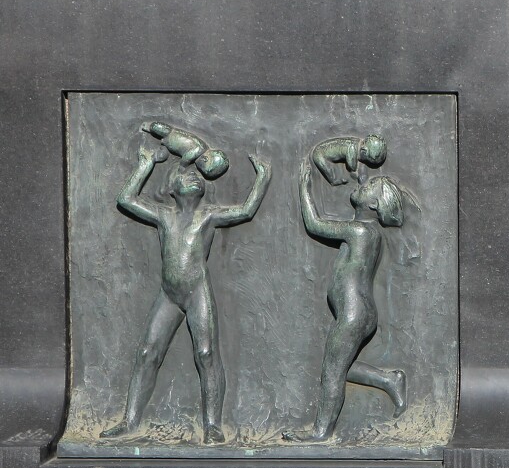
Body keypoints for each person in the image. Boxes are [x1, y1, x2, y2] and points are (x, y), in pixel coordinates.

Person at [101, 141, 271, 443]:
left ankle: (211, 425)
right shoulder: (163, 215)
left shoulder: (209, 215)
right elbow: (126, 198)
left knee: (206, 354)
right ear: (172, 190)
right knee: (146, 353)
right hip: (169, 294)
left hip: (196, 293)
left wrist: (262, 178)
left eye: (198, 177)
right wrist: (146, 164)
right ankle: (129, 421)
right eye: (185, 176)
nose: (194, 176)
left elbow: (245, 210)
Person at [284, 161, 407, 442]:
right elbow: (359, 187)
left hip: (353, 313)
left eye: (369, 187)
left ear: (374, 206)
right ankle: (390, 380)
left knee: (332, 374)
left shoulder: (360, 231)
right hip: (358, 312)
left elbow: (315, 224)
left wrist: (304, 186)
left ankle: (321, 433)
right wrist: (359, 174)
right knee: (341, 367)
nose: (362, 185)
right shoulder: (367, 229)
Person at [140, 121, 229, 180]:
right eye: (202, 169)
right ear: (205, 159)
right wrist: (182, 167)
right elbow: (187, 157)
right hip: (170, 135)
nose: (199, 170)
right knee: (158, 128)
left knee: (161, 155)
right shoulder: (198, 150)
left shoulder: (201, 149)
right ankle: (148, 127)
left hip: (170, 145)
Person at [310, 134, 388, 186]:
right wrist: (358, 174)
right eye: (367, 160)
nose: (367, 163)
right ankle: (334, 181)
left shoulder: (357, 144)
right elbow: (352, 167)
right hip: (319, 154)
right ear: (363, 151)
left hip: (322, 151)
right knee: (330, 172)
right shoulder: (352, 149)